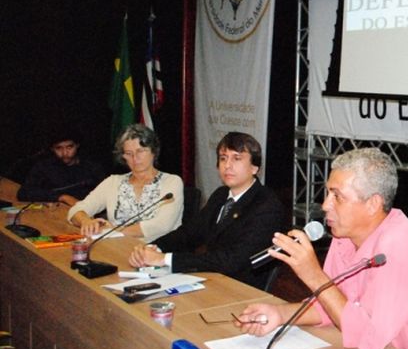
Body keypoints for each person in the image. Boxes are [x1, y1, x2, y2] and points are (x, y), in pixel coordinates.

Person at [235, 148, 408, 349]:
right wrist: (279, 315)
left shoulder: (399, 246)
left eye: (337, 196)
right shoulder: (344, 237)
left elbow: (368, 338)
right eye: (328, 193)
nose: (325, 205)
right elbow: (332, 305)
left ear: (373, 204)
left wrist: (314, 275)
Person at [128, 132, 286, 289]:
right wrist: (151, 247)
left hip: (240, 289)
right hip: (211, 278)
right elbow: (189, 233)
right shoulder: (221, 195)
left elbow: (231, 260)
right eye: (223, 158)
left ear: (254, 167)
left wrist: (165, 259)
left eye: (237, 158)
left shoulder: (267, 206)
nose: (227, 165)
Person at [68, 124, 183, 241]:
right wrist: (86, 221)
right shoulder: (113, 182)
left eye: (140, 151)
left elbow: (162, 225)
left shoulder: (172, 182)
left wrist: (113, 232)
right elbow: (75, 211)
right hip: (116, 248)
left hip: (156, 251)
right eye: (128, 153)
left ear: (153, 152)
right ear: (123, 157)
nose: (135, 158)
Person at [16, 130, 104, 206]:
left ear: (77, 145)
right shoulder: (44, 167)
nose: (65, 153)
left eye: (69, 147)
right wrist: (62, 197)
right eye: (59, 148)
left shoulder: (92, 168)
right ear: (52, 149)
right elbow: (23, 193)